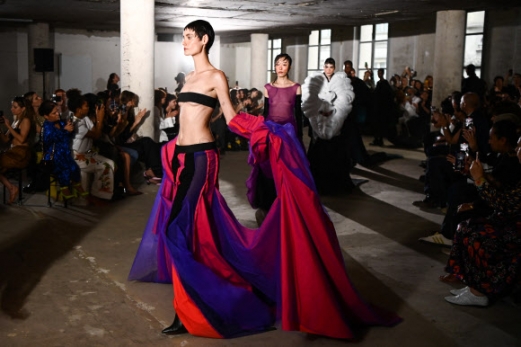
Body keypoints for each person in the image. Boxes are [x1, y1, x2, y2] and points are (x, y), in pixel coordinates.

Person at [128, 19, 400, 339]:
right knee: (192, 234)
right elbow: (183, 120)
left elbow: (229, 117)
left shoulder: (216, 76)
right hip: (183, 157)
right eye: (183, 37)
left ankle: (199, 309)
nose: (184, 42)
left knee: (178, 231)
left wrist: (265, 132)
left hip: (203, 158)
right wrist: (170, 151)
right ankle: (189, 308)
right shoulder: (189, 78)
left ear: (204, 40)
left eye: (189, 37)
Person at [441, 134, 521, 306]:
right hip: (509, 221)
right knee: (464, 226)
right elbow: (503, 191)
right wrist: (478, 174)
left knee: (476, 234)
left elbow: (504, 203)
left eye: (520, 147)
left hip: (515, 228)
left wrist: (479, 179)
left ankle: (480, 291)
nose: (517, 150)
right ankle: (472, 284)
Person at [248, 53, 303, 225]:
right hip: (271, 133)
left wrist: (299, 139)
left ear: (289, 67)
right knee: (268, 168)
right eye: (277, 64)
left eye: (284, 64)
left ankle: (288, 203)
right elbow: (265, 115)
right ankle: (269, 204)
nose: (280, 67)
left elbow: (298, 115)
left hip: (289, 135)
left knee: (288, 170)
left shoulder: (296, 87)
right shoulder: (268, 88)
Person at [302, 57, 356, 195]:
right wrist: (321, 107)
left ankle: (335, 183)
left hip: (335, 119)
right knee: (318, 151)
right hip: (318, 119)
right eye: (326, 67)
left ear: (334, 68)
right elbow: (311, 99)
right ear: (324, 67)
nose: (328, 70)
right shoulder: (316, 79)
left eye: (331, 67)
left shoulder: (340, 81)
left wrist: (332, 107)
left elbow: (344, 100)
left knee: (334, 151)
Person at [39, 99, 85, 199]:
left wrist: (70, 129)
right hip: (53, 155)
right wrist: (64, 131)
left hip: (65, 153)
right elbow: (49, 140)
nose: (57, 114)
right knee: (63, 167)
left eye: (57, 111)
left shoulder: (61, 123)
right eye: (54, 113)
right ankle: (64, 188)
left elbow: (68, 136)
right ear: (46, 116)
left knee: (73, 167)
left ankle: (76, 184)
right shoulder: (47, 127)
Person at [0, 96, 35, 204]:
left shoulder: (25, 120)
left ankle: (11, 188)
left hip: (21, 154)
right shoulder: (16, 121)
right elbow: (6, 139)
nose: (12, 109)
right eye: (12, 106)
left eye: (15, 107)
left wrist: (8, 126)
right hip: (12, 152)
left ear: (23, 108)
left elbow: (22, 139)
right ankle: (11, 188)